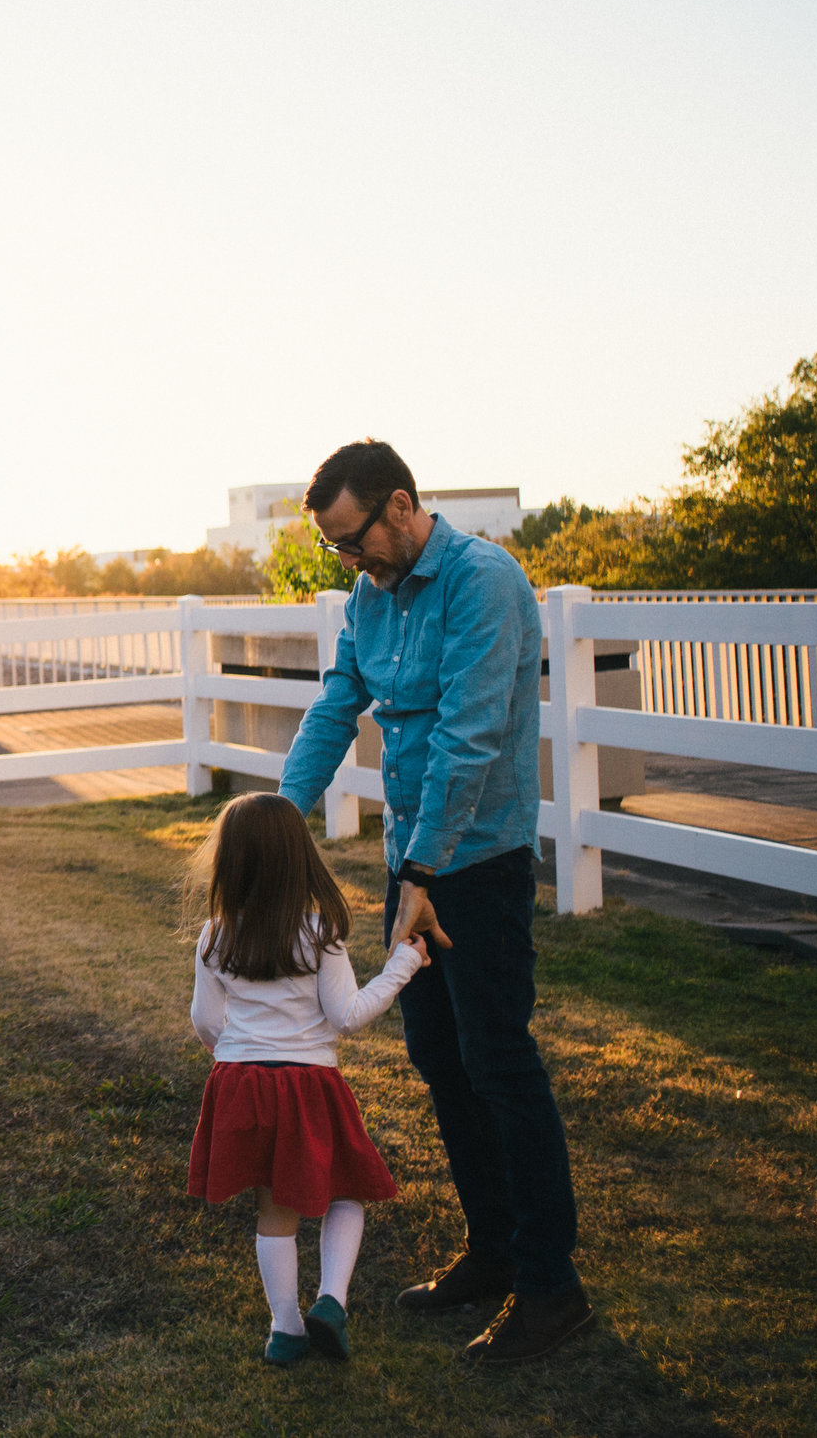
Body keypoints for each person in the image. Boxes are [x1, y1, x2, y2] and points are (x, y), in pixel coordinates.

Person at [277, 438, 595, 1365]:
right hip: (412, 864)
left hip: (475, 868)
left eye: (354, 539)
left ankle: (551, 1286)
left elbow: (469, 737)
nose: (351, 561)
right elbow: (338, 704)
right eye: (336, 547)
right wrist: (279, 827)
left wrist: (422, 876)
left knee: (499, 1060)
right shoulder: (373, 601)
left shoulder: (484, 583)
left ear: (403, 504)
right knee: (439, 1058)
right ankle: (493, 1250)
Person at [187, 792, 431, 1366]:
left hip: (242, 1082)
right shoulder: (318, 932)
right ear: (300, 857)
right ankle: (330, 1302)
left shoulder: (215, 935)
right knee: (346, 1191)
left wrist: (236, 1058)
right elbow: (347, 1016)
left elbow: (205, 1021)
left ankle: (285, 1329)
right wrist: (404, 963)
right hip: (308, 1085)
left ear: (232, 861)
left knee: (274, 1208)